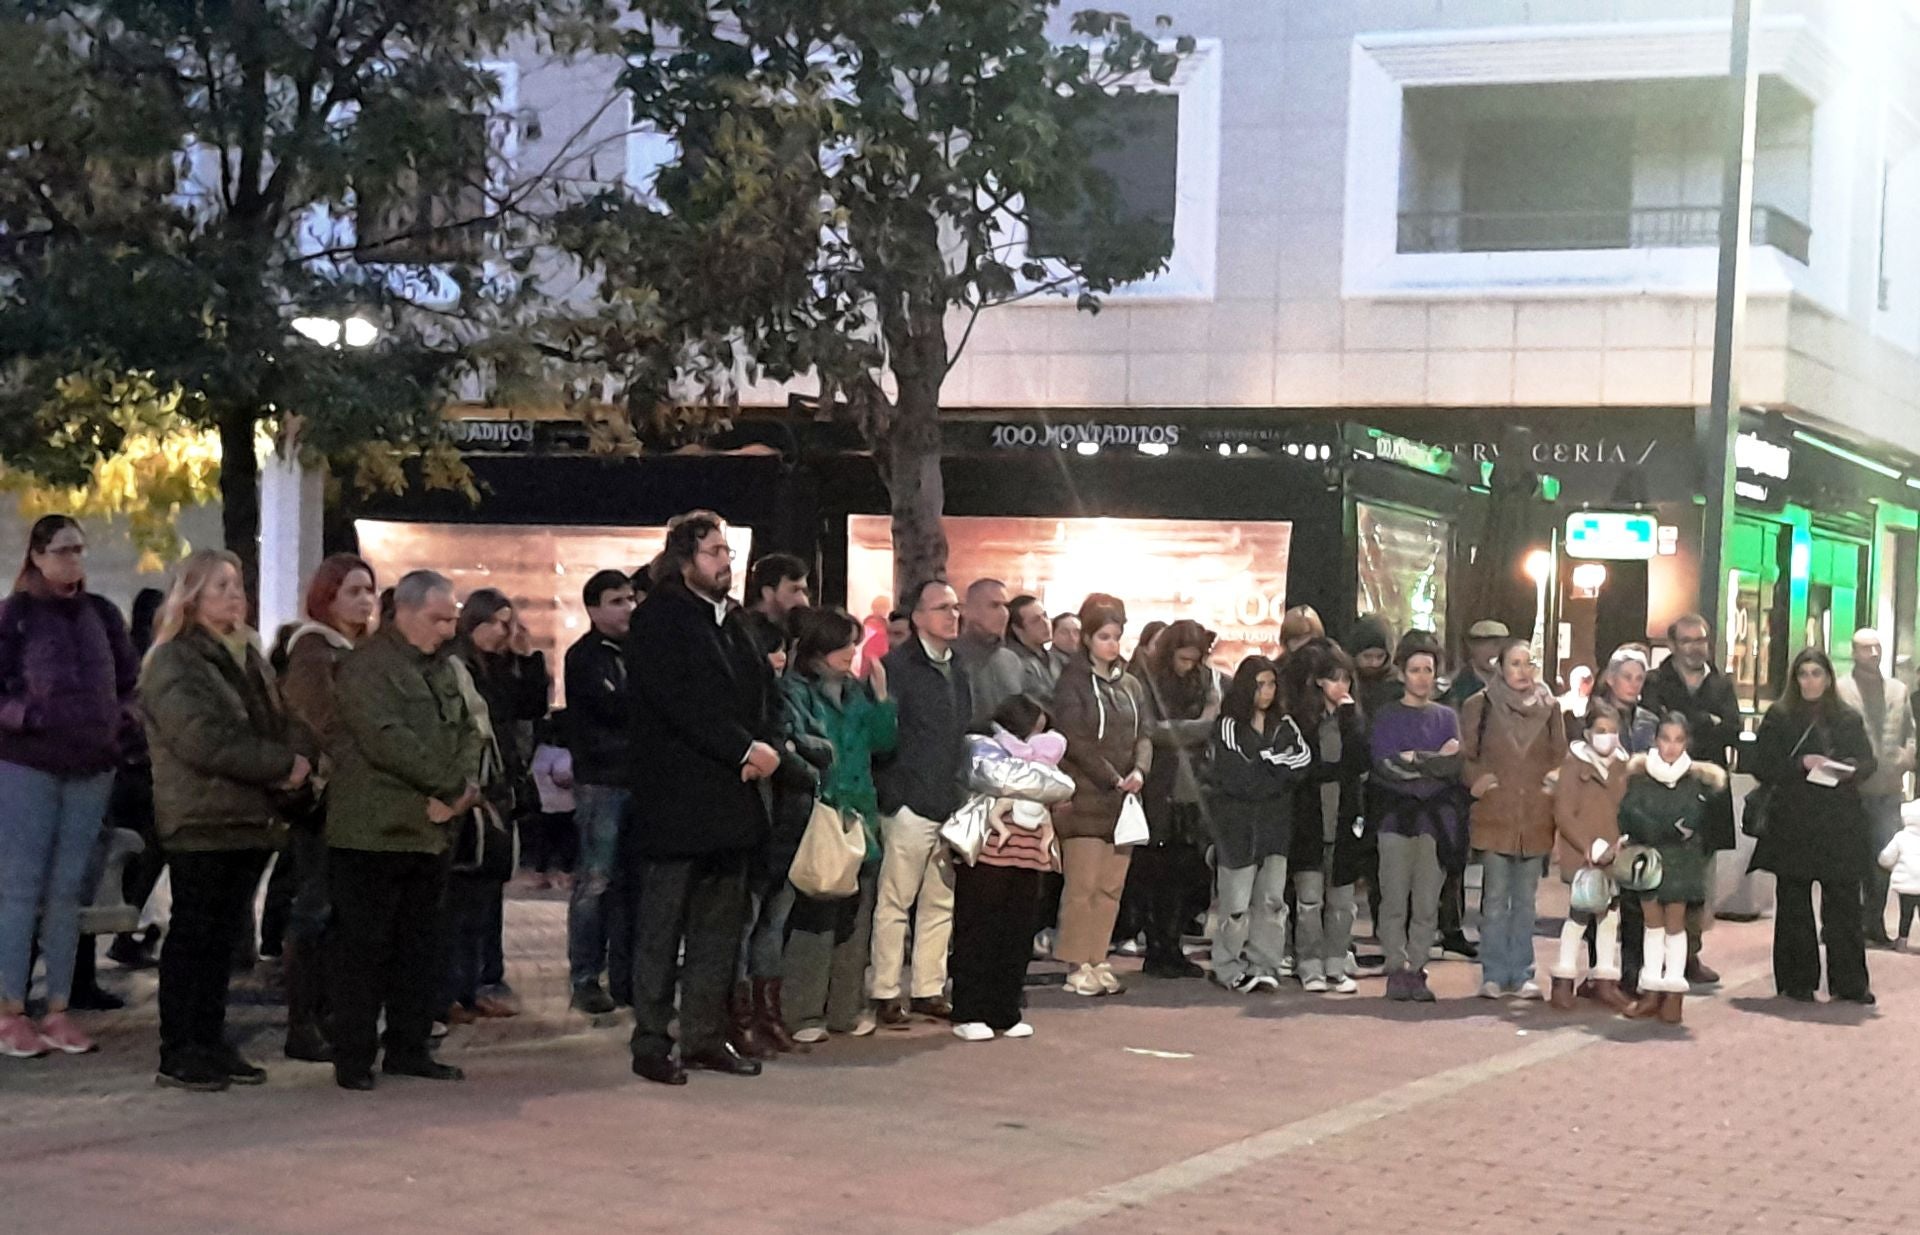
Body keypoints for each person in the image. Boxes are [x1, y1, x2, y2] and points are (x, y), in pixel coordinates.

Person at [140, 550, 312, 1090]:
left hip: (247, 816)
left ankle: (211, 1041)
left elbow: (279, 720)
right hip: (202, 814)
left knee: (222, 938)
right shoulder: (174, 661)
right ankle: (180, 1049)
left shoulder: (248, 655)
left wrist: (302, 757)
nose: (234, 594)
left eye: (237, 584)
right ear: (190, 597)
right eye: (220, 586)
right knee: (194, 932)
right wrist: (283, 767)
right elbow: (202, 739)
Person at [624, 512, 783, 1085]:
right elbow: (680, 703)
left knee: (720, 928)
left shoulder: (733, 620)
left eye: (728, 554)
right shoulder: (661, 618)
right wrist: (742, 749)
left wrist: (768, 745)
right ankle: (650, 1040)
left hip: (732, 802)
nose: (725, 563)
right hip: (678, 800)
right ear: (685, 558)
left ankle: (703, 1036)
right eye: (714, 552)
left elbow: (764, 693)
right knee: (662, 929)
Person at [327, 569, 482, 1090]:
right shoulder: (368, 668)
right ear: (407, 613)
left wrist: (458, 792)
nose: (447, 630)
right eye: (439, 619)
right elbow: (386, 740)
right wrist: (448, 788)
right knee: (364, 950)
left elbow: (468, 730)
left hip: (431, 830)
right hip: (374, 831)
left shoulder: (443, 668)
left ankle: (408, 1047)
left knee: (420, 947)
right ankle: (353, 1057)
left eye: (452, 620)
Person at [0, 516, 139, 1061]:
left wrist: (121, 720)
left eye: (79, 550)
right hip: (27, 764)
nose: (73, 562)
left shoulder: (101, 615)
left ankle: (58, 1007)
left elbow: (128, 680)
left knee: (67, 891)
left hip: (92, 762)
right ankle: (12, 1009)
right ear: (36, 555)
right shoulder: (14, 618)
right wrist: (29, 717)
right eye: (62, 551)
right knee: (19, 887)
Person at [271, 551, 377, 1063]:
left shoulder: (355, 648)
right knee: (315, 908)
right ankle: (303, 1021)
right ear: (327, 596)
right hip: (326, 797)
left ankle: (331, 1015)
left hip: (353, 795)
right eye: (353, 591)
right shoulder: (314, 648)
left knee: (339, 909)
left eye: (369, 590)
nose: (365, 600)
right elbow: (320, 720)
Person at [780, 607, 897, 1043]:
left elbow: (882, 744)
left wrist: (883, 700)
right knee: (816, 910)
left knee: (855, 915)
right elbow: (803, 745)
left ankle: (844, 1009)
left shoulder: (855, 691)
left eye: (853, 643)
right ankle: (804, 1011)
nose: (852, 652)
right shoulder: (795, 690)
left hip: (861, 812)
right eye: (843, 644)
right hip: (822, 809)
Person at [1750, 648, 1877, 1005]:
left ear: (1828, 678)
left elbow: (1868, 761)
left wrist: (1848, 766)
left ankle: (1849, 983)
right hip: (1794, 821)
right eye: (1803, 674)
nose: (1810, 681)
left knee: (1844, 903)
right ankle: (1797, 981)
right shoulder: (1780, 716)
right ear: (1795, 679)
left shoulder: (1847, 718)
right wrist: (1801, 763)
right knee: (1793, 904)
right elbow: (1762, 764)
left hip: (1839, 822)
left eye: (1816, 673)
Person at [445, 589, 549, 1021]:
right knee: (462, 895)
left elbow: (532, 707)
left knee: (487, 893)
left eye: (510, 623)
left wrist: (529, 660)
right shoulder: (460, 663)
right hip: (475, 789)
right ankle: (451, 990)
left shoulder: (501, 664)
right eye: (497, 623)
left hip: (501, 786)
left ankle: (474, 986)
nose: (505, 632)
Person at [870, 580, 971, 1024]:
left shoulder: (958, 667)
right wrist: (898, 797)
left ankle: (929, 986)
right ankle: (886, 990)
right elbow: (884, 736)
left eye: (955, 607)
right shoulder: (896, 667)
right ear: (918, 618)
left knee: (940, 902)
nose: (953, 615)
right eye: (942, 608)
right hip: (909, 802)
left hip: (948, 800)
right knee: (895, 901)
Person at [950, 694, 1070, 1039]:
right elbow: (1000, 778)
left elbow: (1063, 787)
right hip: (988, 854)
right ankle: (969, 1011)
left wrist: (1042, 776)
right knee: (980, 931)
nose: (1039, 736)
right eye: (1036, 729)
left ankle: (1005, 1010)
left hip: (1030, 853)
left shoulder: (1043, 756)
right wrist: (1040, 777)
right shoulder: (982, 745)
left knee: (1017, 933)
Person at [1052, 593, 1151, 997]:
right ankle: (1077, 963)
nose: (1113, 644)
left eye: (1117, 636)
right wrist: (1112, 777)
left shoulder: (1131, 685)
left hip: (1124, 803)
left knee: (1111, 887)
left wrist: (1139, 771)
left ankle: (1098, 957)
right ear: (1088, 639)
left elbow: (1145, 733)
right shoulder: (1072, 683)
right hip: (1086, 798)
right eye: (1105, 636)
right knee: (1083, 886)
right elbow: (1074, 739)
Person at [1460, 637, 1568, 1000]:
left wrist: (1553, 785)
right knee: (1493, 900)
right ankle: (1492, 973)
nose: (1523, 671)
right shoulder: (1481, 705)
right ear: (1500, 668)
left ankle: (1522, 973)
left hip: (1535, 815)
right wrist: (1478, 782)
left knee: (1525, 903)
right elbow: (1466, 754)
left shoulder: (1550, 707)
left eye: (1528, 663)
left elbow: (1560, 756)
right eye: (1515, 664)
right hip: (1496, 812)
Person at [1642, 615, 1742, 984]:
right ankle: (1653, 952)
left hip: (1708, 790)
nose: (1695, 647)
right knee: (1661, 872)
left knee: (1699, 879)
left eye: (1700, 639)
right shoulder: (1656, 682)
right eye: (1686, 640)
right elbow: (1659, 725)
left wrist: (1698, 722)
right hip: (1665, 788)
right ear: (1673, 645)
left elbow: (1733, 727)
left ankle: (1690, 953)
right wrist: (1706, 722)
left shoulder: (1721, 682)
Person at [1204, 656, 1310, 994]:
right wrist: (1275, 771)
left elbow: (1303, 762)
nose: (1266, 691)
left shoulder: (1286, 724)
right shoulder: (1228, 725)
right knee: (1235, 904)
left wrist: (1266, 764)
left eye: (1271, 684)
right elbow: (1236, 775)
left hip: (1276, 828)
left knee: (1271, 901)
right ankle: (1228, 967)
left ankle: (1265, 964)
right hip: (1236, 830)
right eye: (1260, 684)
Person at [1369, 635, 1464, 1002]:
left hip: (1433, 823)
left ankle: (1417, 967)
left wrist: (1416, 758)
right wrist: (1432, 759)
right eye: (1415, 670)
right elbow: (1385, 766)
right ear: (1402, 674)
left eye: (1428, 670)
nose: (1422, 677)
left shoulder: (1446, 717)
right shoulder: (1387, 715)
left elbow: (1452, 767)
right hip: (1394, 820)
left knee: (1427, 902)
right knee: (1393, 899)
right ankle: (1396, 966)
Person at [1618, 712, 1727, 1024]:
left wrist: (1668, 828)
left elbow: (1693, 819)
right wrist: (1662, 828)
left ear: (1687, 743)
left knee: (1675, 924)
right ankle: (1650, 989)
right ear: (1655, 740)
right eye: (1665, 739)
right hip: (1649, 859)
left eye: (1678, 740)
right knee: (1651, 923)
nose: (1671, 746)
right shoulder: (1639, 776)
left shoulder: (1696, 781)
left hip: (1682, 861)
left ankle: (1673, 994)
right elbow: (1629, 813)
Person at [564, 569, 638, 1015]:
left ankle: (625, 974)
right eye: (616, 600)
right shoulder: (585, 657)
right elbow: (610, 710)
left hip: (637, 780)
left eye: (630, 598)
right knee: (595, 880)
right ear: (593, 608)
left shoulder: (643, 653)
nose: (627, 607)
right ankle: (586, 976)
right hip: (602, 782)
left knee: (630, 884)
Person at [1281, 639, 1370, 994]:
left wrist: (1350, 719)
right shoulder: (1302, 721)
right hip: (1310, 820)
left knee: (1342, 902)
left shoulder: (1352, 720)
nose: (1342, 687)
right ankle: (1309, 963)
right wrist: (1333, 770)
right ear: (1318, 681)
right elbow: (1305, 769)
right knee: (1309, 900)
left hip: (1345, 820)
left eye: (1346, 680)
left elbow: (1361, 763)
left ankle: (1335, 962)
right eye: (1334, 679)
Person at [1134, 619, 1219, 979]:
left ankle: (1173, 944)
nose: (1189, 666)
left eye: (1194, 659)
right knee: (1156, 870)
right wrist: (1191, 730)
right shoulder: (1146, 680)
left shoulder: (1206, 680)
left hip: (1193, 786)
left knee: (1188, 871)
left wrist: (1179, 731)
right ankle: (1157, 947)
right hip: (1159, 784)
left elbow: (1212, 722)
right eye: (1183, 659)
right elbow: (1150, 729)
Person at [1546, 702, 1631, 1012]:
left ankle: (1604, 979)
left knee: (1610, 916)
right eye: (1601, 731)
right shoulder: (1574, 766)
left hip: (1615, 853)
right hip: (1584, 854)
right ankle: (1563, 979)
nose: (1607, 737)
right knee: (1579, 915)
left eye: (1612, 731)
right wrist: (1589, 847)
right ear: (1587, 733)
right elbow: (1564, 813)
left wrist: (1621, 843)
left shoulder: (1624, 766)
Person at [1835, 628, 1915, 948]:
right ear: (1854, 652)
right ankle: (1847, 923)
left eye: (1877, 648)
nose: (1874, 654)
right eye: (1866, 649)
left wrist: (1905, 758)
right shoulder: (1841, 690)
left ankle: (1874, 921)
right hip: (1852, 790)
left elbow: (1910, 731)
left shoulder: (1897, 690)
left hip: (1888, 789)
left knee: (1883, 860)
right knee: (1849, 860)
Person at [103, 587, 169, 973]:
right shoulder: (152, 659)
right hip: (141, 772)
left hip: (127, 772)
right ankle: (124, 930)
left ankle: (123, 930)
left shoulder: (128, 657)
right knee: (146, 851)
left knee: (130, 855)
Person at [527, 714, 576, 889]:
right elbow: (562, 778)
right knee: (567, 841)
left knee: (544, 841)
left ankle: (540, 875)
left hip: (545, 802)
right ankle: (565, 876)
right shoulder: (563, 754)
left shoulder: (540, 752)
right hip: (566, 804)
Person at [955, 577, 1012, 727]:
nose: (1003, 613)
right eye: (994, 605)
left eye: (1005, 606)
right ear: (967, 610)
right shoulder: (949, 659)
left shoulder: (1011, 660)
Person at [987, 594, 1060, 706]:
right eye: (1036, 621)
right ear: (1017, 629)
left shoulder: (1056, 659)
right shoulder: (1011, 662)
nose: (1045, 623)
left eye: (1045, 616)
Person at [741, 553, 810, 660]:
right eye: (794, 590)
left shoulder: (791, 632)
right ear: (768, 593)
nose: (803, 600)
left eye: (804, 591)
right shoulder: (744, 635)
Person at [1877, 800, 1920, 950]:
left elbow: (1887, 857)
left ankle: (1902, 942)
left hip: (1906, 885)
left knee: (1905, 915)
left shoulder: (1901, 837)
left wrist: (1886, 864)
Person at [1440, 619, 1509, 709]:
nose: (1495, 651)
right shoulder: (1457, 684)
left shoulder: (1511, 682)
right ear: (1472, 646)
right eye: (1486, 645)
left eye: (1499, 644)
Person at [1344, 614, 1402, 718]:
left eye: (1380, 656)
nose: (1374, 663)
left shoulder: (1397, 685)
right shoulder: (1343, 681)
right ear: (1355, 654)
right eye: (1367, 656)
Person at [1049, 613, 1082, 677]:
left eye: (1076, 632)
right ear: (1052, 636)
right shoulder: (1047, 665)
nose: (1072, 637)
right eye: (1064, 632)